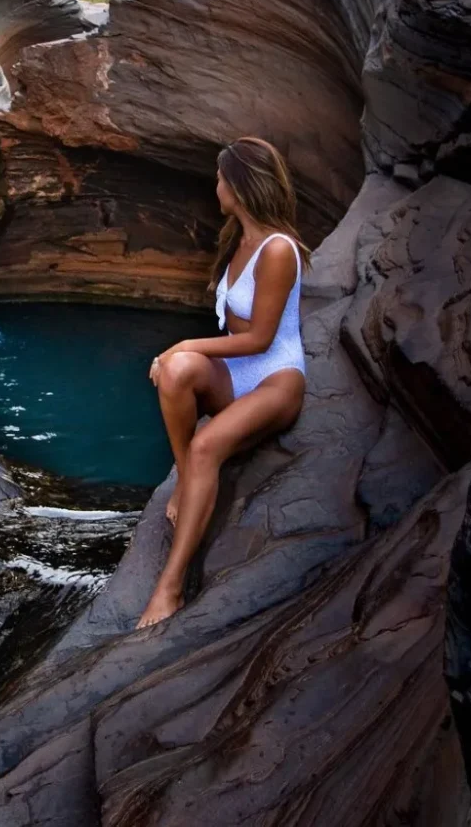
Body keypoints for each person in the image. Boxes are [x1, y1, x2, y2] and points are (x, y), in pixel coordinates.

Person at [137, 136, 312, 629]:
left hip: (276, 378)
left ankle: (169, 587)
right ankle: (186, 480)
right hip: (238, 375)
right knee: (174, 375)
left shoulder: (278, 250)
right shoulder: (239, 239)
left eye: (219, 177)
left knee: (207, 443)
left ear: (237, 184)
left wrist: (182, 345)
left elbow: (258, 339)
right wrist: (181, 357)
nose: (214, 185)